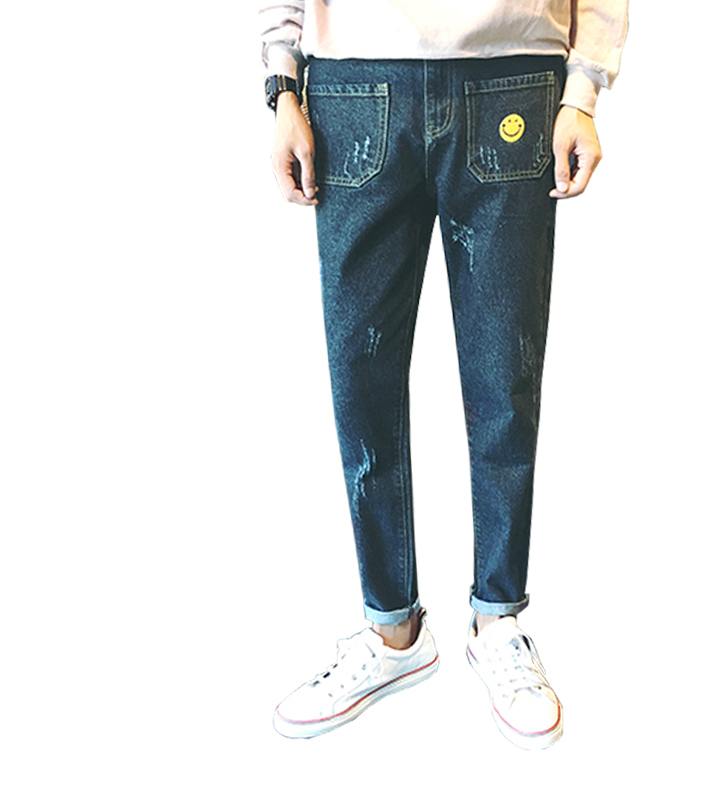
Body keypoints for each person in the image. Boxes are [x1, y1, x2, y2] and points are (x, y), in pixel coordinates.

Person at [260, 1, 628, 750]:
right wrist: (282, 83)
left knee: (504, 373)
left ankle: (499, 620)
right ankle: (391, 629)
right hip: (355, 86)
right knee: (360, 375)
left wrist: (584, 90)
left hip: (512, 75)